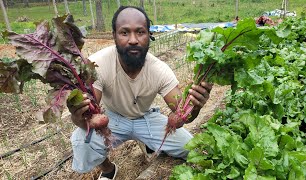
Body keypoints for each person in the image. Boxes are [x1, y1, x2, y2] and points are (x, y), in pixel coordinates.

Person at [68, 6, 212, 180]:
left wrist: (195, 107)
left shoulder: (159, 69)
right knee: (83, 142)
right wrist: (78, 117)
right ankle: (108, 170)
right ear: (114, 35)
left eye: (140, 32)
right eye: (124, 33)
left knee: (190, 148)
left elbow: (182, 114)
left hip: (146, 118)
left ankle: (148, 141)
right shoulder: (97, 64)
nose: (133, 40)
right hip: (113, 119)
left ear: (149, 36)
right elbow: (89, 119)